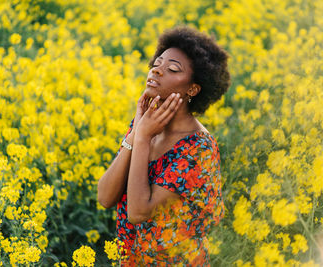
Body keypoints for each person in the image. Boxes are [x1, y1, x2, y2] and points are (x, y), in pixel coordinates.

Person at [97, 25, 230, 266]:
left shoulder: (198, 149)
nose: (157, 71)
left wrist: (142, 138)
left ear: (193, 89)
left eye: (172, 69)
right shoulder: (146, 124)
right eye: (157, 63)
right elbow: (106, 197)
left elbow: (138, 213)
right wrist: (136, 134)